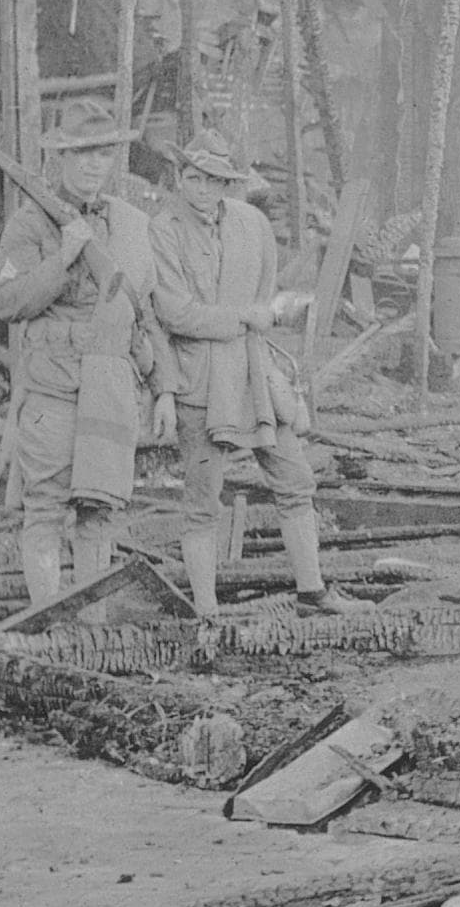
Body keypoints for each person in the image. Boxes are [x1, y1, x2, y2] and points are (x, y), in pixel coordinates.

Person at [151, 132, 361, 616]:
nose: (202, 189)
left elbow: (266, 294)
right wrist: (245, 316)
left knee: (294, 478)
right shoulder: (163, 230)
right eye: (192, 177)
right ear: (179, 177)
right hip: (199, 377)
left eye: (213, 180)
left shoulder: (252, 224)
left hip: (253, 371)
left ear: (228, 183)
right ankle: (207, 611)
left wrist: (258, 316)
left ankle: (312, 591)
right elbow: (175, 313)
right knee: (203, 500)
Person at [0, 99, 169, 609]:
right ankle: (49, 623)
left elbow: (147, 312)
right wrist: (64, 259)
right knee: (45, 511)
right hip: (53, 390)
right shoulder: (29, 225)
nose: (94, 164)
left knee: (98, 514)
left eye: (103, 154)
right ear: (61, 159)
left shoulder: (130, 224)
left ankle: (90, 626)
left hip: (111, 390)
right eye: (83, 153)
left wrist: (164, 390)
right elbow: (9, 301)